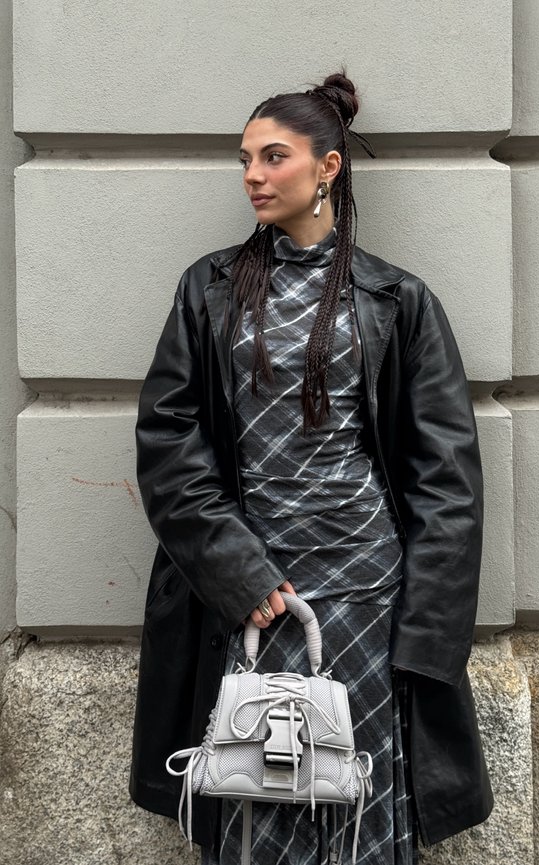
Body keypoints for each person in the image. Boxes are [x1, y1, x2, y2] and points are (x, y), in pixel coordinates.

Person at [129, 71, 494, 864]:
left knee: (357, 805)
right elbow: (167, 443)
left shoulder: (398, 300)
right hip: (254, 600)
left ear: (327, 167)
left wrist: (426, 634)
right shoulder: (209, 290)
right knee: (255, 799)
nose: (253, 176)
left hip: (368, 596)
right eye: (245, 160)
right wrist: (237, 573)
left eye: (273, 156)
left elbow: (447, 480)